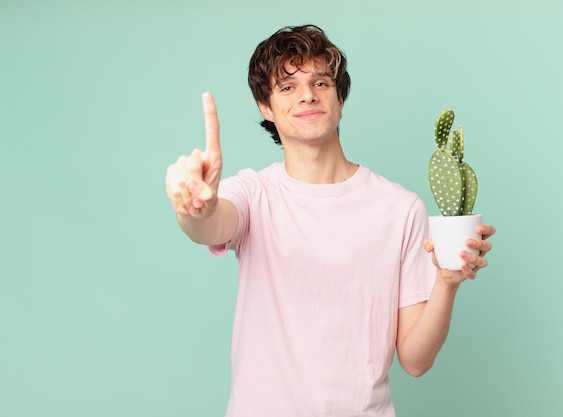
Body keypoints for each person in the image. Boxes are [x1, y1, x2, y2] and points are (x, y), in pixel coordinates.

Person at [165, 24, 495, 417]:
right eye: (287, 86)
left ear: (340, 99)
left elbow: (415, 360)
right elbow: (211, 225)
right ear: (265, 108)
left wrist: (446, 283)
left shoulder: (400, 208)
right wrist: (193, 208)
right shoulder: (254, 193)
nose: (307, 94)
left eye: (321, 82)